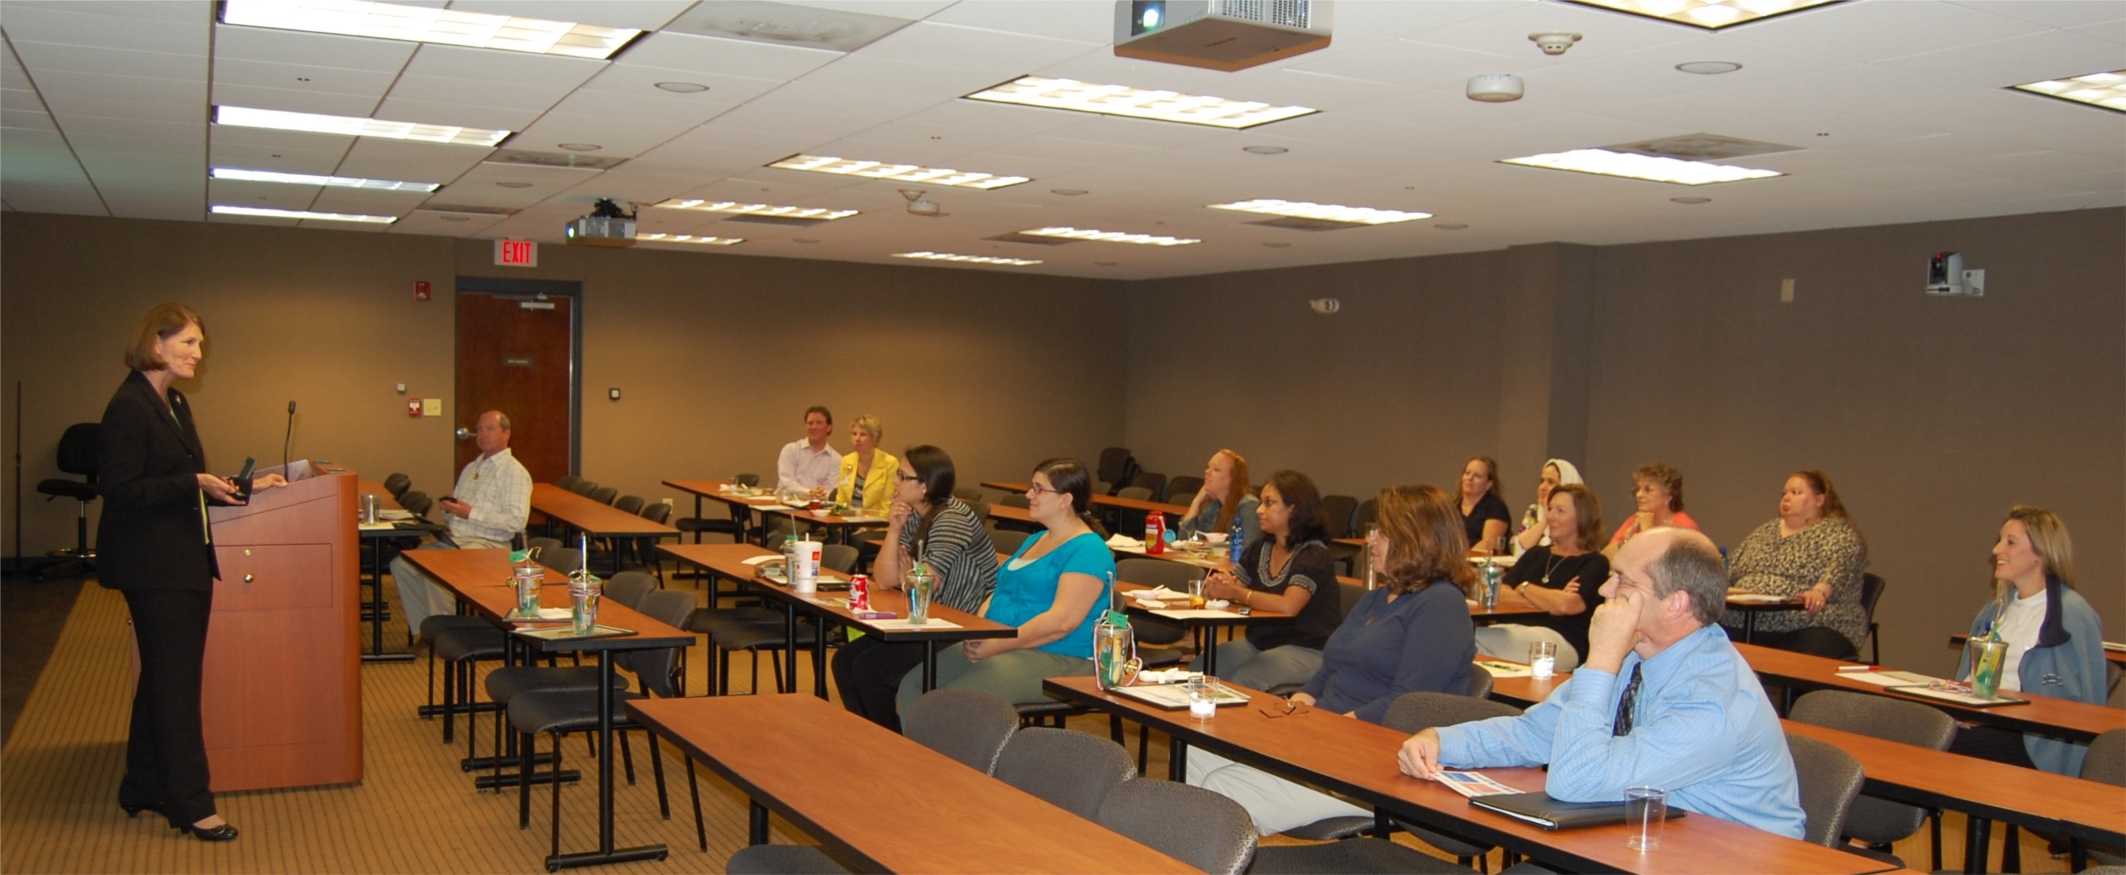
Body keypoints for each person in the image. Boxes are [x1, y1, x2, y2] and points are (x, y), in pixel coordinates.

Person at [1399, 528, 1806, 840]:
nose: (1604, 590)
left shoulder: (1713, 701)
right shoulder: (1639, 654)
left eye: (1623, 581)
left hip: (1732, 858)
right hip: (1649, 840)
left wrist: (1602, 660)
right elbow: (1537, 733)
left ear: (1676, 603)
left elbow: (1578, 783)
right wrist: (1442, 741)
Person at [98, 304, 287, 842]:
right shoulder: (129, 406)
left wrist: (241, 487)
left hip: (180, 560)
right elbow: (121, 490)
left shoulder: (172, 401)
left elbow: (182, 479)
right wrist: (195, 485)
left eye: (199, 345)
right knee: (178, 686)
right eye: (188, 344)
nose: (197, 356)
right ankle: (191, 804)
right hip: (153, 567)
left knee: (162, 678)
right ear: (155, 345)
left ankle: (142, 784)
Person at [1188, 484, 1477, 835]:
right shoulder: (1378, 598)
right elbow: (1329, 668)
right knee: (1192, 751)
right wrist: (1300, 706)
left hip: (1376, 763)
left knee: (1223, 790)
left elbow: (1408, 704)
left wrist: (1328, 728)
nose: (1370, 541)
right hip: (1327, 738)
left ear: (1416, 538)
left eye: (1382, 533)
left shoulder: (1441, 606)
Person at [894, 458, 1113, 715]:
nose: (1029, 494)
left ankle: (944, 755)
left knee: (953, 703)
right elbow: (998, 592)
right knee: (913, 686)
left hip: (1060, 657)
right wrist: (980, 631)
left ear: (1065, 500)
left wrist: (998, 644)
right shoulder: (1035, 540)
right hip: (1006, 642)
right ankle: (917, 755)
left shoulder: (1088, 550)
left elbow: (1061, 622)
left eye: (1039, 489)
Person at [833, 445, 997, 730]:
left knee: (870, 671)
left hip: (961, 624)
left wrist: (909, 572)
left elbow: (923, 584)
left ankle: (890, 742)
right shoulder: (914, 514)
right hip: (927, 618)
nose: (895, 482)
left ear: (925, 486)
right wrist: (894, 529)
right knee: (845, 661)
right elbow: (885, 580)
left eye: (902, 476)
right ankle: (871, 737)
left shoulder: (952, 518)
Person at [1952, 507, 2105, 775]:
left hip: (2036, 741)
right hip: (1988, 721)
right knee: (1917, 730)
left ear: (2041, 554)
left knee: (1936, 742)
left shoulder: (2073, 617)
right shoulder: (1994, 612)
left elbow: (2088, 706)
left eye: (2010, 542)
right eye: (2000, 540)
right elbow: (1969, 679)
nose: (1997, 550)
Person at [1194, 471, 1344, 691]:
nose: (1259, 510)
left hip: (1307, 649)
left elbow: (1288, 606)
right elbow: (1235, 586)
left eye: (1269, 503)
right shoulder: (1260, 548)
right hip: (1259, 644)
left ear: (1294, 508)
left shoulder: (1313, 554)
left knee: (1243, 680)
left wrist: (1237, 593)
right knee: (1198, 671)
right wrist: (1219, 587)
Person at [387, 410, 531, 637]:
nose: (483, 434)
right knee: (402, 564)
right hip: (458, 541)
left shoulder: (514, 472)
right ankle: (425, 630)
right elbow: (460, 516)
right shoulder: (471, 468)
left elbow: (516, 521)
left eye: (490, 429)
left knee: (439, 569)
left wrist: (469, 513)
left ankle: (447, 634)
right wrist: (451, 511)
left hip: (491, 547)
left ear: (507, 433)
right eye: (480, 429)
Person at [1722, 471, 1868, 659]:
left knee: (1806, 651)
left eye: (1796, 493)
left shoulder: (1839, 534)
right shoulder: (1765, 531)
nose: (1787, 498)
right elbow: (1731, 568)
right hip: (1745, 619)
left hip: (1809, 623)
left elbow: (1839, 569)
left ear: (1819, 500)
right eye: (1784, 494)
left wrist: (1819, 592)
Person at [1478, 483, 1608, 671]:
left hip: (1560, 641)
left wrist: (1524, 587)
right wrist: (1550, 601)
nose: (1551, 517)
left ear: (1582, 518)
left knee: (1470, 640)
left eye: (1560, 511)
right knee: (1464, 638)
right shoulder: (1536, 554)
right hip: (1515, 630)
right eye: (1550, 509)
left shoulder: (1595, 563)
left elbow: (1568, 605)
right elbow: (1500, 593)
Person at [1603, 462, 1700, 558]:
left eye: (1648, 490)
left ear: (1668, 497)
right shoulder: (1635, 520)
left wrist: (1646, 530)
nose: (1639, 495)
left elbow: (1659, 565)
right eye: (1638, 489)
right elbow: (1603, 560)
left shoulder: (1685, 527)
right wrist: (1624, 540)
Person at [1177, 449, 1259, 546]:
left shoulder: (1248, 506)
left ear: (1233, 478)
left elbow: (1246, 550)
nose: (1207, 472)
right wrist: (1196, 502)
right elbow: (1185, 540)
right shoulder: (1213, 507)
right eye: (1208, 467)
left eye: (1216, 469)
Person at [832, 414, 898, 517]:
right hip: (848, 522)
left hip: (877, 525)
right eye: (854, 434)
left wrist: (867, 527)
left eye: (863, 434)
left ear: (874, 438)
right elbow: (841, 500)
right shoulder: (846, 461)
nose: (857, 439)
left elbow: (888, 506)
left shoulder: (890, 463)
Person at [1513, 458, 1584, 554]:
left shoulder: (1575, 517)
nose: (1542, 487)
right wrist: (1545, 519)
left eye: (1550, 482)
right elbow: (1520, 550)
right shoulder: (1534, 511)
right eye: (1542, 481)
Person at [774, 406, 838, 499]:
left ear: (829, 428)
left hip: (816, 508)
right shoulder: (790, 450)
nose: (814, 427)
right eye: (810, 423)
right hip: (784, 506)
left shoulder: (836, 459)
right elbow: (786, 482)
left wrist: (818, 494)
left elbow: (830, 491)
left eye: (819, 423)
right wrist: (809, 492)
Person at [1458, 456, 1511, 554]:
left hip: (1482, 564)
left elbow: (1489, 543)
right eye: (1467, 473)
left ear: (1488, 484)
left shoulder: (1496, 507)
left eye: (1477, 476)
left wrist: (1462, 560)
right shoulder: (1451, 506)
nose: (1470, 478)